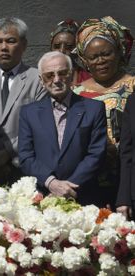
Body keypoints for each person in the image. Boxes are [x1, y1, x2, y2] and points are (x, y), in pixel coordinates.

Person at [19, 51, 107, 206]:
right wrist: (51, 183)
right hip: (43, 197)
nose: (57, 80)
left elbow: (96, 154)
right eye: (49, 75)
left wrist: (67, 187)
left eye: (62, 73)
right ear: (41, 80)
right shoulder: (29, 112)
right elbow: (26, 156)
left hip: (83, 195)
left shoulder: (94, 108)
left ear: (71, 75)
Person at [0, 17, 47, 185]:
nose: (4, 47)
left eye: (11, 41)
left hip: (24, 168)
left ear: (24, 45)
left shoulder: (38, 79)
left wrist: (7, 153)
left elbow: (39, 126)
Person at [73, 16, 134, 209]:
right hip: (90, 181)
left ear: (119, 52)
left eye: (106, 54)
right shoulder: (76, 93)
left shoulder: (133, 86)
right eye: (93, 57)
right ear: (84, 60)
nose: (100, 61)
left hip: (129, 176)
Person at [49, 19, 90, 85]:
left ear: (78, 50)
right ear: (51, 48)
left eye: (68, 47)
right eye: (57, 46)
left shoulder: (87, 79)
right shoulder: (41, 77)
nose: (61, 51)